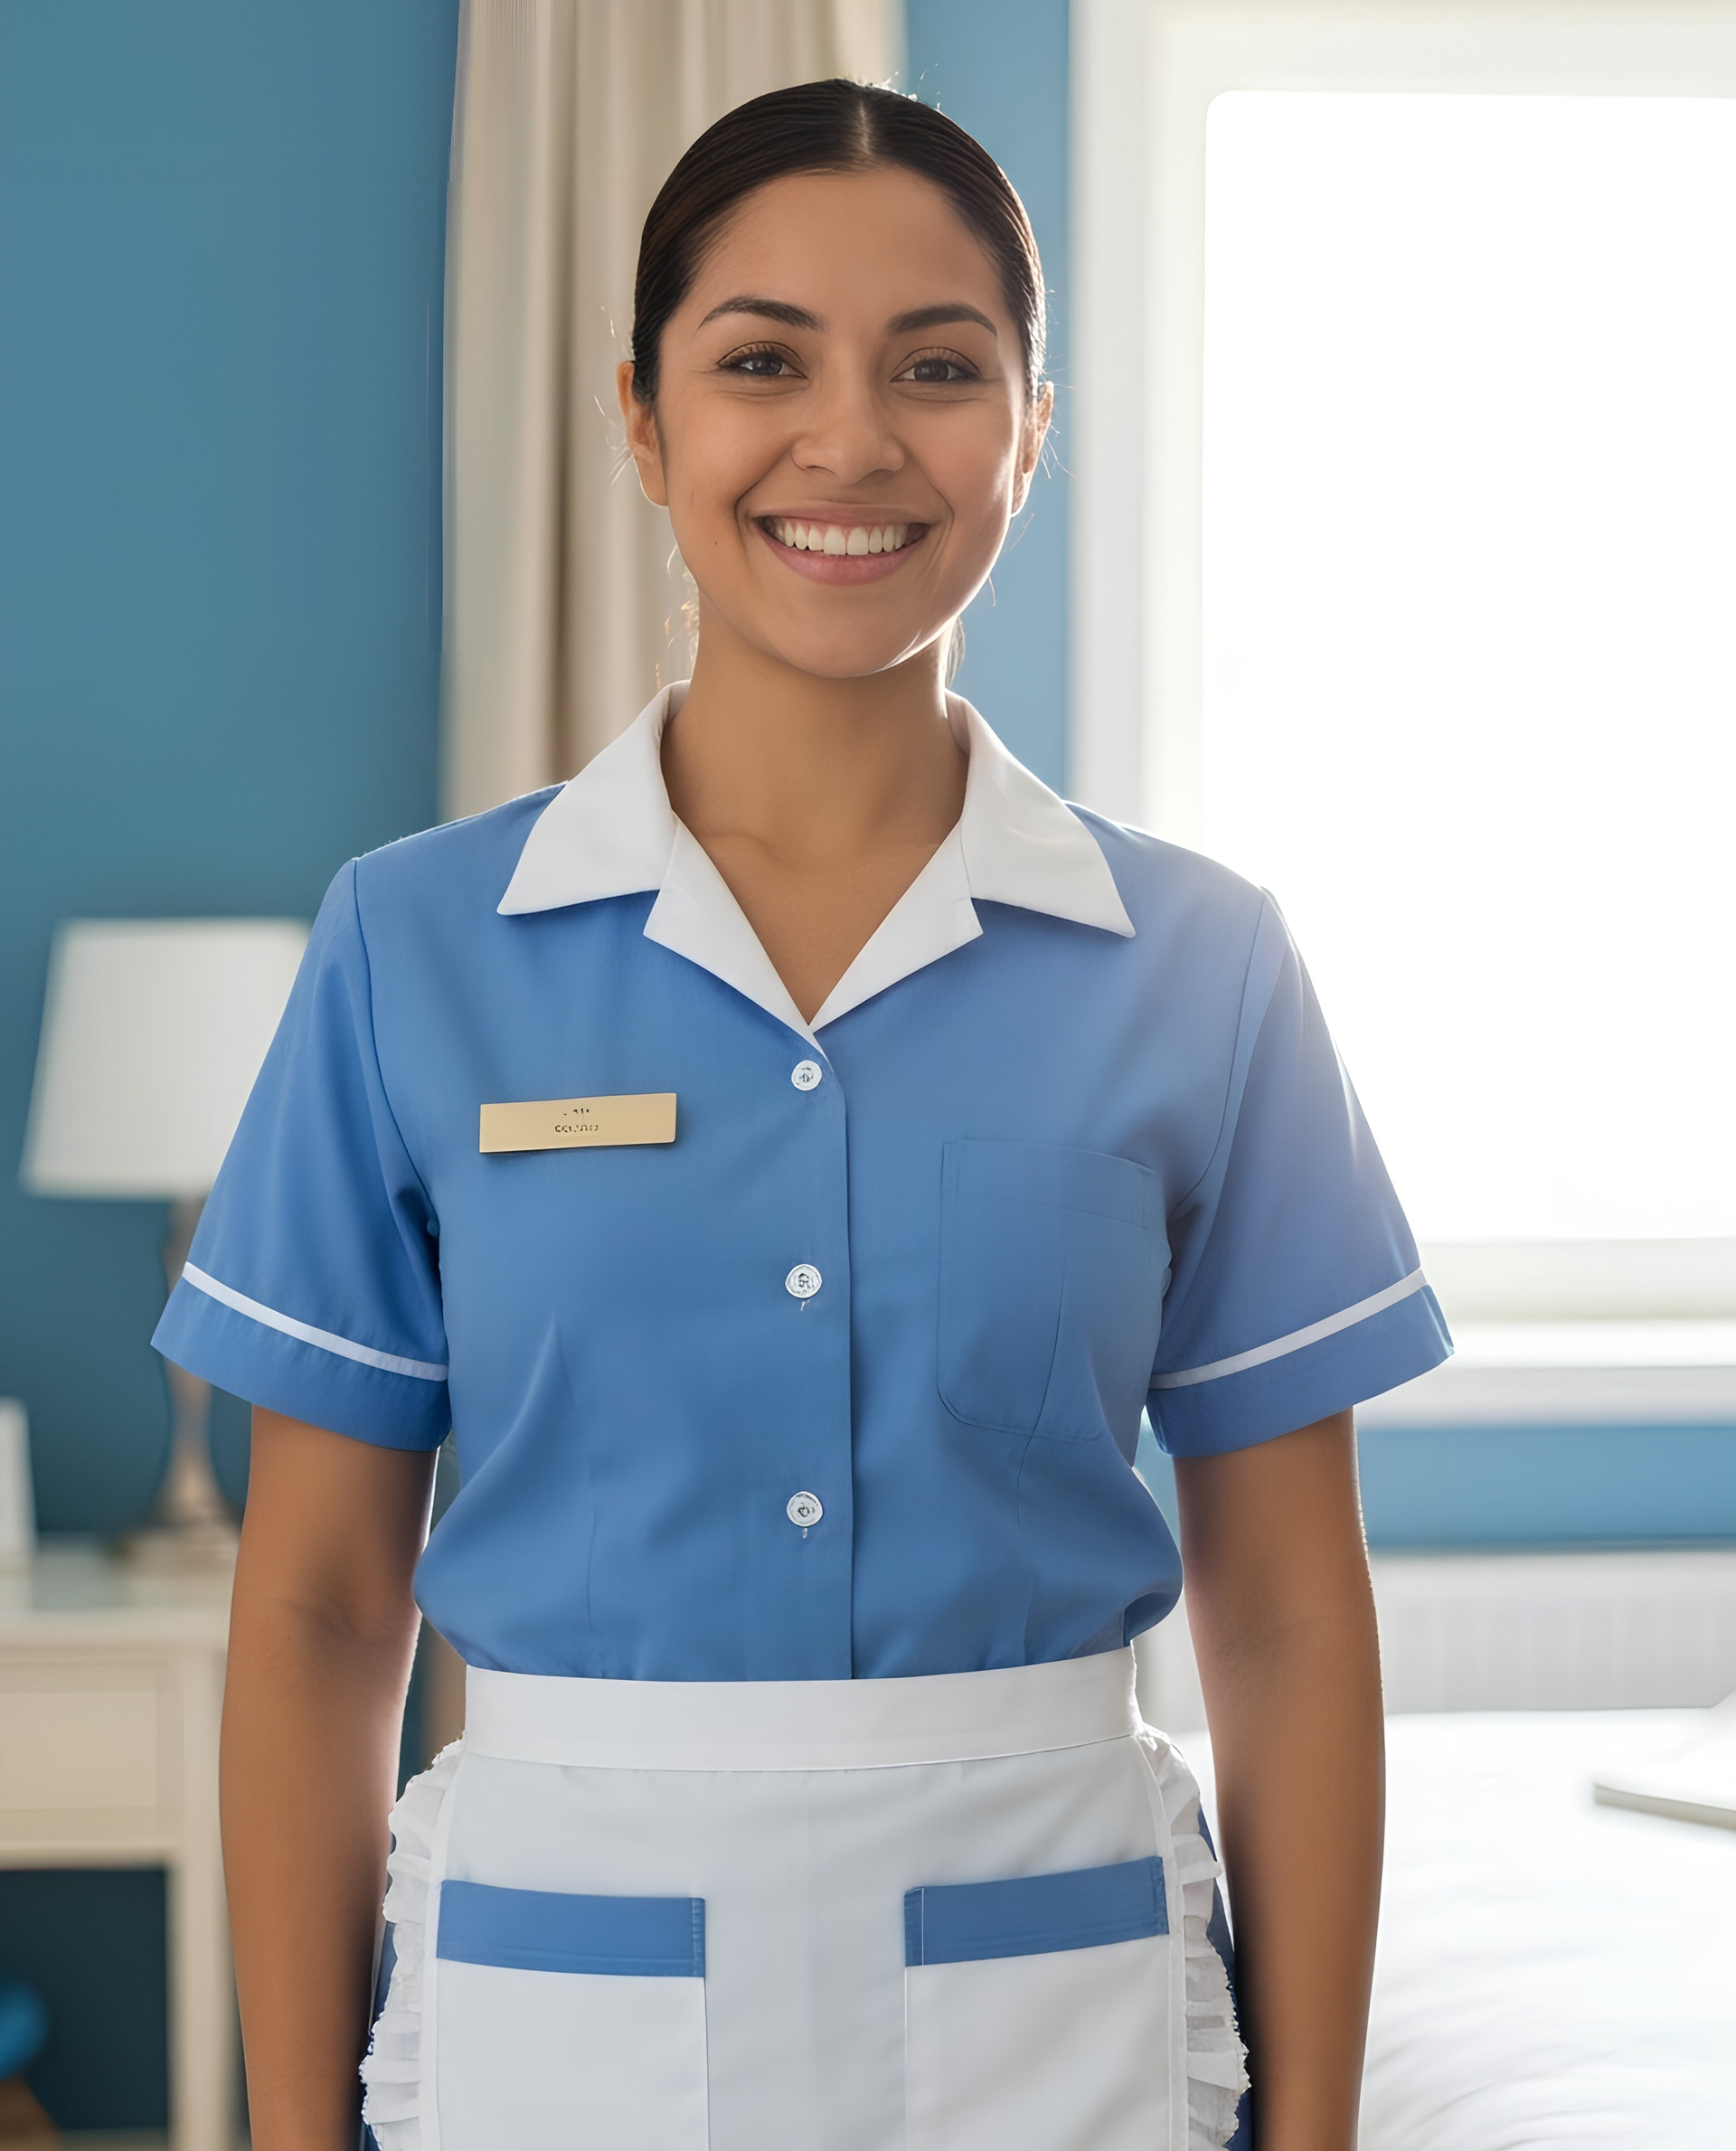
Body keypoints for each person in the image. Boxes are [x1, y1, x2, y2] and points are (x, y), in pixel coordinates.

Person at [155, 79, 1450, 2151]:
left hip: (1069, 2014)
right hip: (548, 2020)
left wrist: (1314, 2135)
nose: (850, 441)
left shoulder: (1205, 964)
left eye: (940, 368)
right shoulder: (414, 949)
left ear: (1035, 426)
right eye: (762, 361)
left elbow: (1290, 1606)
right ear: (646, 422)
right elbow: (315, 1606)